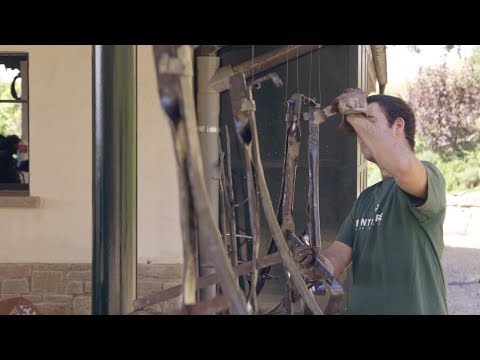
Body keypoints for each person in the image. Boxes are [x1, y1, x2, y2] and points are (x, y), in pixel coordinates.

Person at [294, 89, 448, 315]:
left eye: (370, 121)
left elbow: (404, 168)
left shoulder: (428, 176)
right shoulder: (366, 198)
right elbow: (339, 254)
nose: (360, 134)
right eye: (358, 127)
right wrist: (318, 265)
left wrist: (354, 116)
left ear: (398, 126)